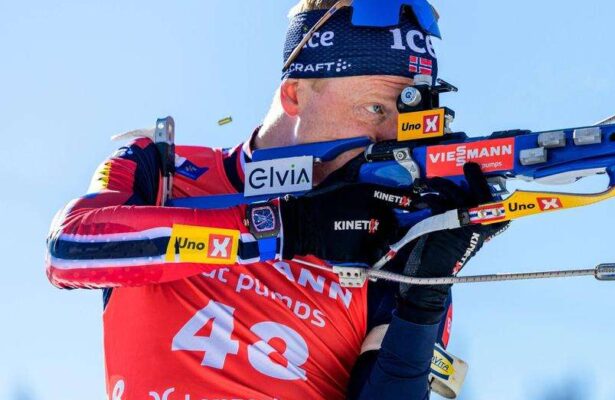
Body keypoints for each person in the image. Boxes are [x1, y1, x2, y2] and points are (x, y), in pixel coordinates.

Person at [44, 1, 504, 399]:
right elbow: (70, 251)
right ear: (294, 95)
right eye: (375, 109)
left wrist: (422, 300)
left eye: (406, 120)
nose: (387, 139)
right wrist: (285, 227)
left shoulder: (387, 235)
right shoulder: (162, 169)